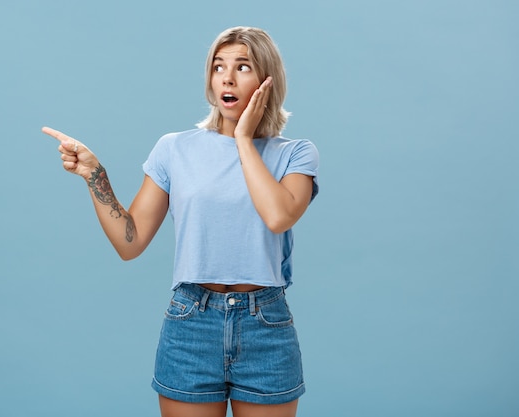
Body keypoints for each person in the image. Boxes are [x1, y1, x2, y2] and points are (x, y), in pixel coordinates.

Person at [42, 26, 319, 417]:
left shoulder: (295, 154)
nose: (226, 76)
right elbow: (130, 242)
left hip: (265, 327)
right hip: (191, 323)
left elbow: (278, 216)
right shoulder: (174, 149)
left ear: (267, 80)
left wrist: (242, 140)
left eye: (242, 67)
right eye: (218, 66)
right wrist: (96, 176)